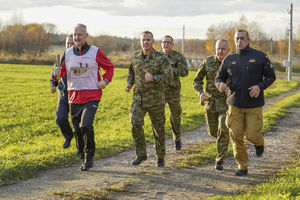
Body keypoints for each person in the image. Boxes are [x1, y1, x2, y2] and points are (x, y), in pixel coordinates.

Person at [53, 24, 114, 171]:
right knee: (77, 129)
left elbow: (109, 67)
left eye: (80, 34)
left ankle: (89, 156)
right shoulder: (67, 53)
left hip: (92, 94)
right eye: (75, 34)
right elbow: (60, 74)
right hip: (73, 96)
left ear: (86, 36)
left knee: (85, 125)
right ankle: (82, 154)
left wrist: (105, 81)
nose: (77, 37)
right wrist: (55, 74)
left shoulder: (95, 52)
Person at [215, 30, 276, 176]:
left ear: (248, 40)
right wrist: (220, 85)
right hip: (234, 105)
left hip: (253, 105)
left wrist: (259, 87)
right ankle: (242, 166)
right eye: (237, 39)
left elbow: (271, 77)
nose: (239, 41)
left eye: (242, 38)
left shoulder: (260, 57)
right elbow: (219, 78)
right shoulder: (229, 59)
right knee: (236, 136)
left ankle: (259, 142)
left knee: (251, 135)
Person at [125, 31, 172, 167]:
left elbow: (168, 77)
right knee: (135, 123)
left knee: (158, 129)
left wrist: (155, 78)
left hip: (156, 100)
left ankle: (160, 156)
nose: (145, 42)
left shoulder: (161, 58)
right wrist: (129, 83)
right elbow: (131, 73)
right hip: (138, 99)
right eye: (143, 40)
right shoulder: (135, 57)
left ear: (153, 41)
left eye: (148, 40)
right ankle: (141, 154)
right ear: (141, 41)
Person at [193, 38, 230, 170]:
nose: (220, 51)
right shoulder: (208, 61)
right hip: (210, 103)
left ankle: (219, 160)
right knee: (214, 131)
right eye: (218, 49)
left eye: (223, 49)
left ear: (228, 50)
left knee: (223, 129)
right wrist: (200, 93)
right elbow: (196, 80)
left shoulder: (234, 63)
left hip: (227, 103)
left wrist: (231, 91)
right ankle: (225, 142)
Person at [160, 35, 188, 150]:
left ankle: (177, 138)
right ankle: (160, 141)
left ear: (172, 44)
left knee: (175, 117)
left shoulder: (178, 57)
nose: (166, 44)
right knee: (158, 117)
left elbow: (185, 72)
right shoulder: (156, 56)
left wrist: (171, 71)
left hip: (173, 91)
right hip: (158, 92)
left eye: (168, 42)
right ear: (161, 43)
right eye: (164, 42)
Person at [50, 34, 75, 149]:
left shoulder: (81, 57)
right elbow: (54, 74)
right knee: (60, 118)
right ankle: (68, 135)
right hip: (64, 92)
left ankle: (81, 147)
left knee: (78, 122)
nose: (69, 45)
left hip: (77, 93)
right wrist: (53, 84)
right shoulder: (60, 58)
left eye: (72, 42)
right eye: (67, 43)